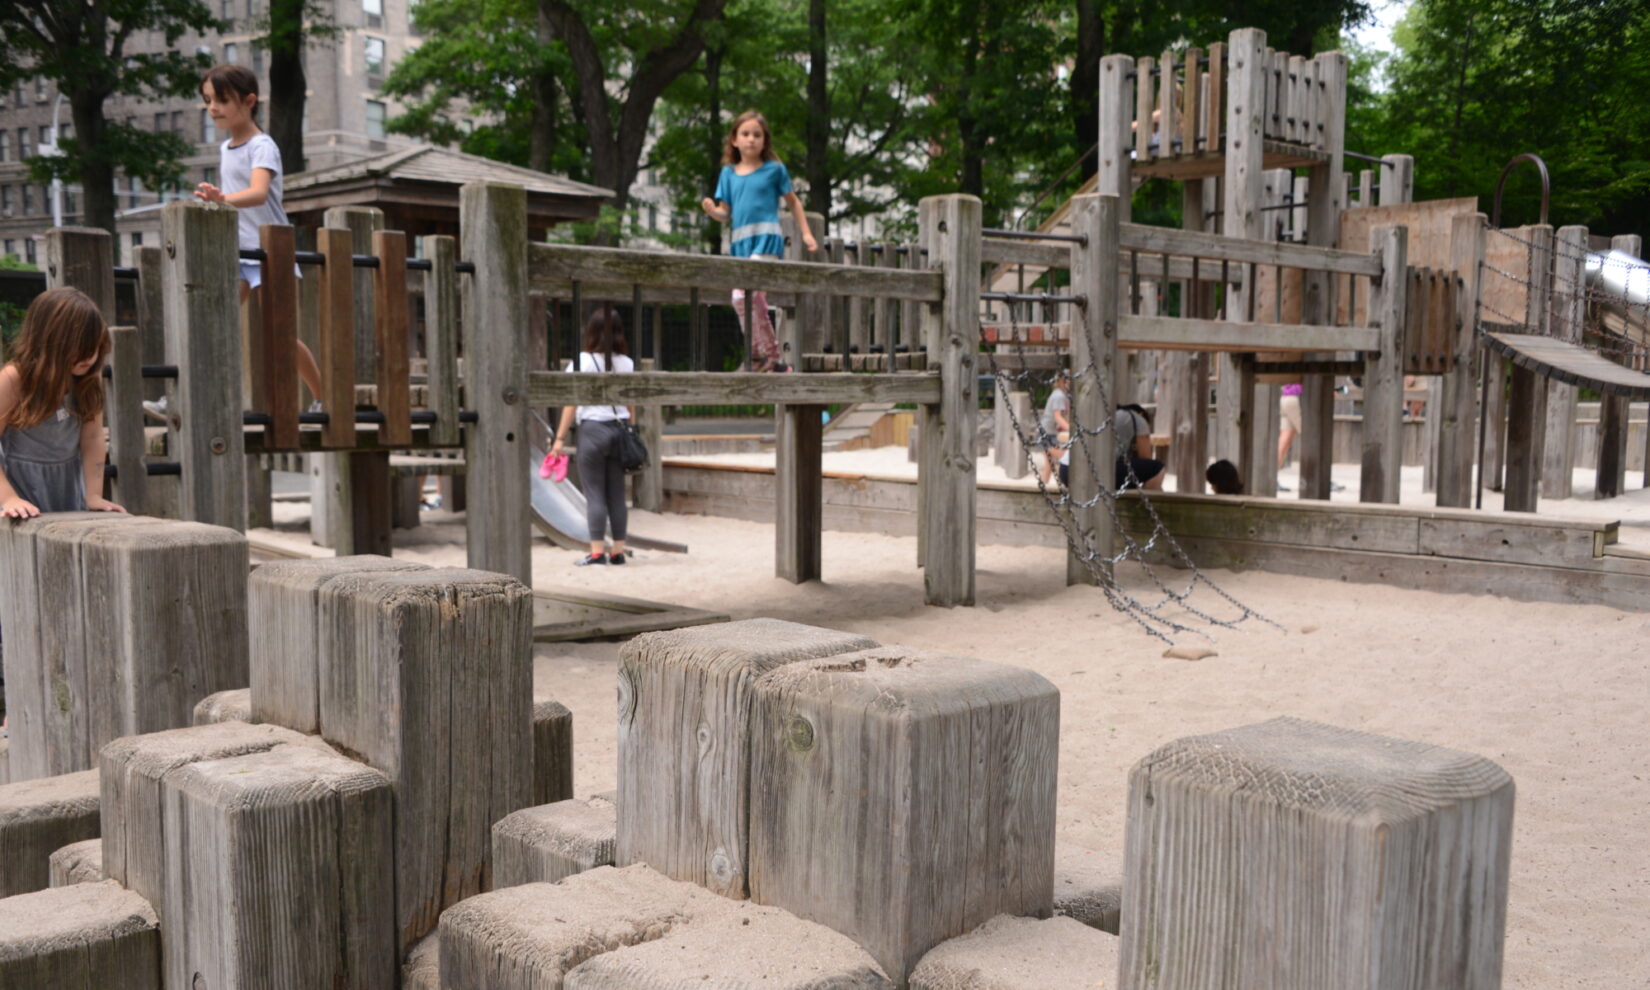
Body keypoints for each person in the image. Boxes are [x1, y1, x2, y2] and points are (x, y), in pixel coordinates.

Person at [148, 64, 322, 422]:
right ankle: (178, 399)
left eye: (222, 100)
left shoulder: (262, 146)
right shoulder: (227, 147)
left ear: (249, 101)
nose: (213, 107)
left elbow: (258, 193)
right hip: (240, 254)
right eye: (208, 100)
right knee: (210, 325)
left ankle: (324, 398)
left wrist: (221, 199)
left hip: (271, 252)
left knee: (280, 337)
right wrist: (218, 200)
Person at [700, 110, 818, 372]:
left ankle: (770, 356)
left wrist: (806, 233)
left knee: (746, 297)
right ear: (734, 140)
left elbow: (793, 202)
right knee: (741, 299)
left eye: (757, 135)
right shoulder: (728, 174)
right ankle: (758, 356)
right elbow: (725, 212)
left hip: (766, 240)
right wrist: (711, 211)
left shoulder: (774, 170)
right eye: (745, 134)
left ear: (765, 141)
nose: (751, 139)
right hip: (740, 244)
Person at [0, 287, 126, 518]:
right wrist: (8, 498)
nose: (90, 358)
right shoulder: (14, 379)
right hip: (17, 491)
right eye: (81, 348)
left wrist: (93, 495)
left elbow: (92, 436)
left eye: (96, 348)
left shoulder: (87, 379)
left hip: (68, 489)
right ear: (50, 342)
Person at [549, 307, 635, 566]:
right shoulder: (627, 363)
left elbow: (571, 403)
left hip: (593, 431)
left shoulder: (582, 362)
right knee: (617, 495)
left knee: (595, 493)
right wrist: (631, 429)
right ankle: (618, 551)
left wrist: (560, 439)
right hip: (619, 430)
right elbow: (632, 404)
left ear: (591, 331)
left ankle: (597, 552)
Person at [1112, 402, 1165, 491]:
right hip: (1113, 471)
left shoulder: (1115, 414)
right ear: (1141, 414)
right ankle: (1147, 502)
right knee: (1157, 468)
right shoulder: (1138, 418)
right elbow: (1145, 457)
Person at [1038, 369, 1072, 485]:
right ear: (1062, 381)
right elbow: (1057, 417)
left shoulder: (1064, 395)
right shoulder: (1059, 396)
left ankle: (1043, 488)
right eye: (1068, 380)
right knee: (1064, 457)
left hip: (1049, 432)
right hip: (1047, 433)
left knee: (1049, 464)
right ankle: (1060, 485)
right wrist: (1071, 429)